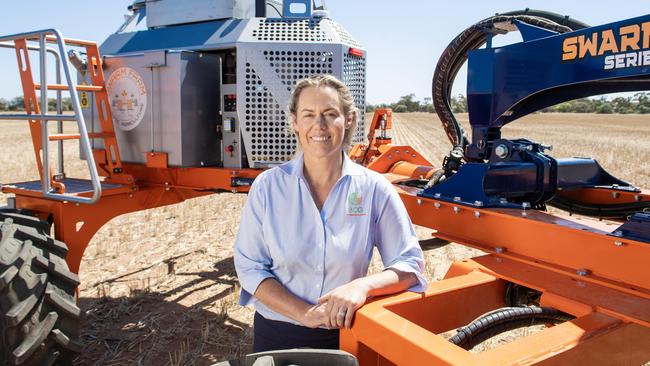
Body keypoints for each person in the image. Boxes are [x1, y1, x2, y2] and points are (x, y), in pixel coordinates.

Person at [234, 74, 427, 352]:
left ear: (348, 120)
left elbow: (409, 265)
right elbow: (250, 266)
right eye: (308, 114)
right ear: (294, 122)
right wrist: (303, 313)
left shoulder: (374, 189)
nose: (319, 125)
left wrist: (363, 286)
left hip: (345, 334)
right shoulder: (268, 187)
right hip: (277, 334)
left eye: (330, 113)